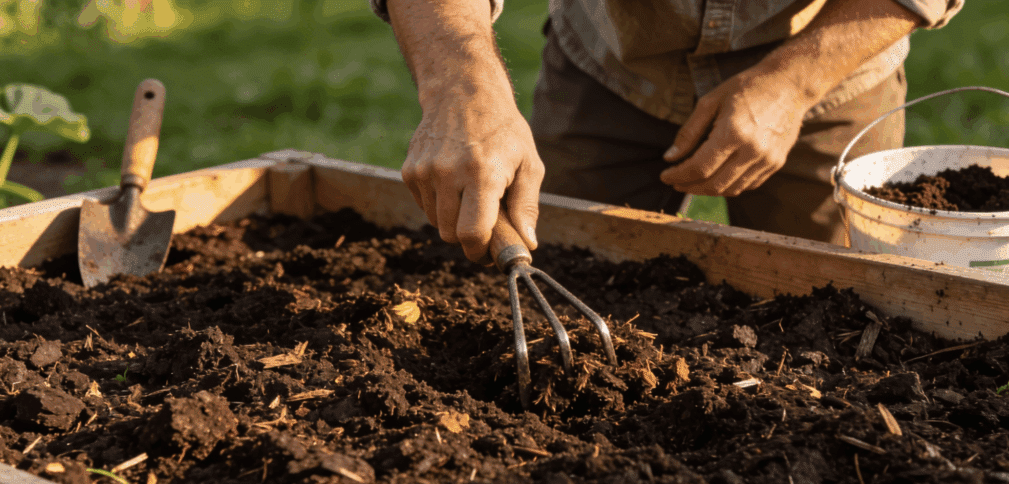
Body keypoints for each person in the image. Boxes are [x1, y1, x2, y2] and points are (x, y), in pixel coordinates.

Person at [372, 0, 963, 261]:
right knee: (566, 260)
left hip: (828, 61)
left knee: (829, 312)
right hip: (611, 59)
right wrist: (461, 87)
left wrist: (794, 85)